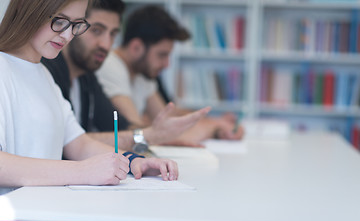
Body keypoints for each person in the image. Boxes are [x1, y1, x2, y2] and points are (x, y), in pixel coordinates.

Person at [0, 0, 178, 187]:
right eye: (59, 21)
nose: (68, 35)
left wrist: (134, 162)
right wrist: (82, 171)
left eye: (76, 25)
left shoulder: (44, 76)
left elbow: (79, 144)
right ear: (25, 8)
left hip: (45, 208)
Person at [41, 0, 211, 151]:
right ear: (75, 25)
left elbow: (121, 127)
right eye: (97, 30)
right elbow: (65, 142)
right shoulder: (48, 70)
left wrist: (161, 137)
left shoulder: (86, 77)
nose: (106, 45)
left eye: (113, 34)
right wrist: (152, 136)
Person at [96, 5, 245, 143]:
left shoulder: (141, 73)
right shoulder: (110, 66)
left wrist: (216, 122)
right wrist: (212, 128)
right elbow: (140, 133)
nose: (167, 64)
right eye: (162, 55)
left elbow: (167, 118)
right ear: (136, 47)